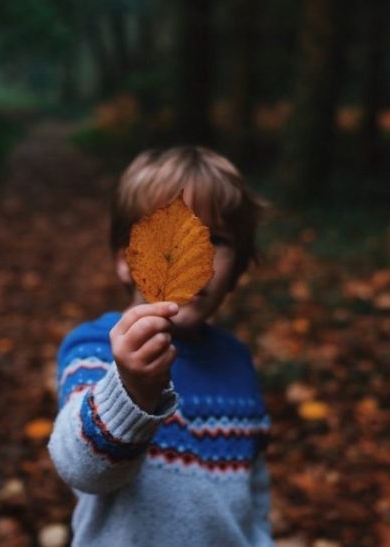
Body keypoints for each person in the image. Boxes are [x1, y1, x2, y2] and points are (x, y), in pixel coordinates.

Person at [48, 146, 273, 546]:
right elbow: (81, 469)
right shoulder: (96, 348)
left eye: (216, 239)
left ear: (236, 270)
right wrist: (131, 388)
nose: (194, 251)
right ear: (126, 259)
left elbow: (253, 495)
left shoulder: (236, 362)